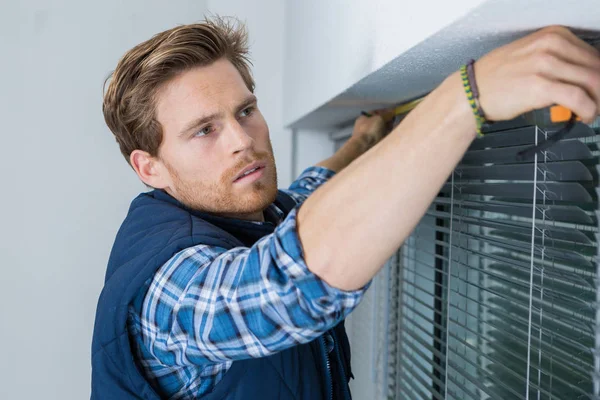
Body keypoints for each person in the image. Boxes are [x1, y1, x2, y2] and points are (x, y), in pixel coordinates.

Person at [91, 15, 600, 400]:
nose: (242, 141)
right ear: (149, 167)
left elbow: (309, 196)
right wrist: (469, 95)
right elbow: (284, 289)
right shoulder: (168, 288)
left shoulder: (239, 213)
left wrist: (360, 144)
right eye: (204, 130)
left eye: (246, 110)